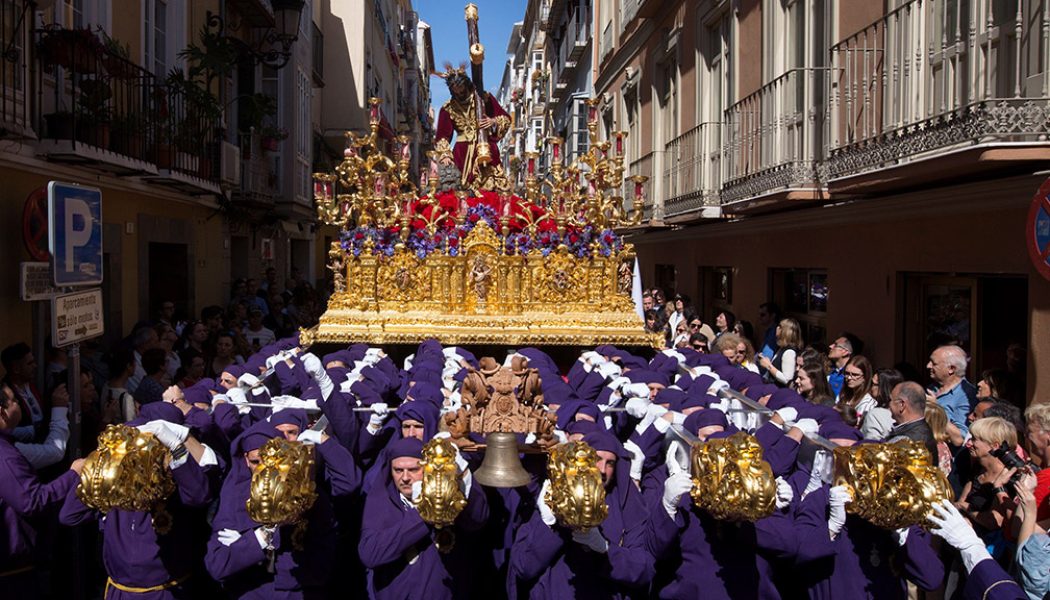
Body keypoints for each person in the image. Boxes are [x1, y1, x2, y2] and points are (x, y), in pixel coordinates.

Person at [59, 398, 222, 598]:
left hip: (166, 592)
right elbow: (70, 516)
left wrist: (178, 447)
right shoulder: (116, 480)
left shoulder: (181, 479)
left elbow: (200, 495)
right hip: (121, 592)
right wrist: (97, 465)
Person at [509, 430, 654, 598]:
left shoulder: (627, 504)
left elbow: (644, 570)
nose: (602, 470)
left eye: (610, 463)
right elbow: (523, 567)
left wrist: (605, 549)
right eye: (597, 459)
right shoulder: (555, 497)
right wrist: (548, 525)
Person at [358, 437, 489, 599]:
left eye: (413, 470)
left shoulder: (449, 497)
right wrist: (425, 512)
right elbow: (370, 554)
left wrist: (463, 472)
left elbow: (478, 518)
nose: (405, 478)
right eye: (398, 470)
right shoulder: (381, 501)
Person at [0, 382, 85, 597]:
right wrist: (74, 473)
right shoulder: (5, 456)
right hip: (13, 572)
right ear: (2, 412)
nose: (19, 404)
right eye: (15, 400)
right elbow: (32, 502)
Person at [434, 66, 512, 190]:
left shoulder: (483, 98)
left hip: (485, 147)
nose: (459, 93)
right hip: (461, 153)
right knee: (459, 188)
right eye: (455, 91)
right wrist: (445, 154)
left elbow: (506, 118)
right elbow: (442, 135)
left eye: (461, 89)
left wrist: (493, 121)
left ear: (466, 85)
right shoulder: (448, 108)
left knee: (490, 186)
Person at [956, 417, 1020, 564]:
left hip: (989, 556)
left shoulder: (1007, 478)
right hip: (966, 546)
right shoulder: (979, 470)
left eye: (975, 439)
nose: (968, 444)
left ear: (995, 445)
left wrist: (966, 509)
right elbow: (960, 502)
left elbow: (994, 521)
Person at [0, 342, 46, 443]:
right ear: (16, 369)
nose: (35, 366)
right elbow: (5, 430)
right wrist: (31, 432)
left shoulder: (32, 385)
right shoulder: (6, 394)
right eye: (29, 363)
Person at [927, 345, 977, 437]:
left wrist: (936, 408)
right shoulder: (931, 388)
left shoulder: (967, 396)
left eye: (934, 363)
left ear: (951, 369)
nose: (928, 366)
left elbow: (961, 436)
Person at [886, 382, 937, 460]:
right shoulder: (925, 429)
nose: (888, 404)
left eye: (890, 400)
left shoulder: (903, 441)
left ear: (901, 405)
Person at [757, 318, 801, 387]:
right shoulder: (781, 348)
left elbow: (787, 379)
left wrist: (768, 366)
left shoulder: (789, 352)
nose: (777, 328)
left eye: (780, 327)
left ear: (786, 331)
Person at [1024, 403, 1050, 522]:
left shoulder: (1046, 477)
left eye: (1029, 431)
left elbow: (1020, 528)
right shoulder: (1043, 467)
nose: (1026, 436)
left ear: (1048, 437)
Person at [826, 333, 861, 398]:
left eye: (835, 345)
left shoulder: (852, 376)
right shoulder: (828, 371)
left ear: (845, 352)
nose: (830, 346)